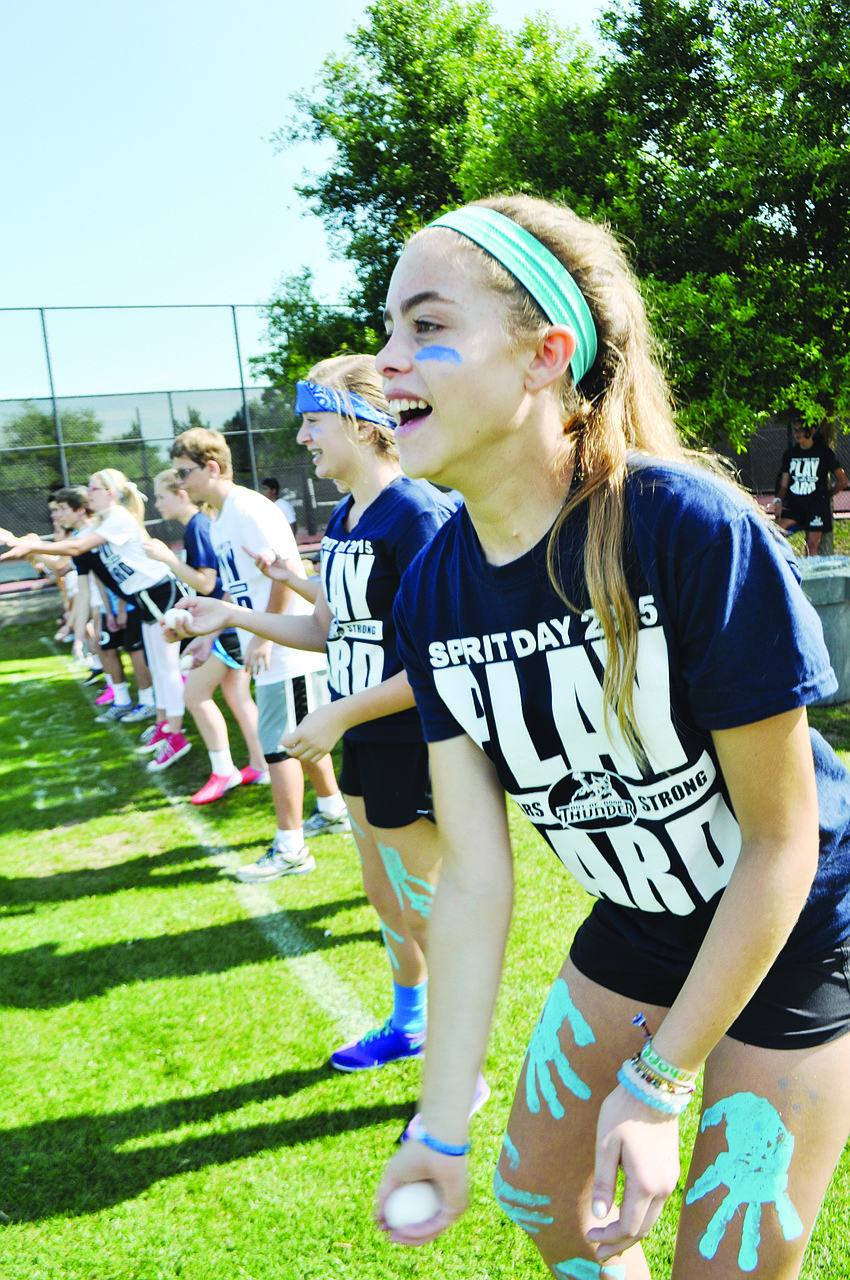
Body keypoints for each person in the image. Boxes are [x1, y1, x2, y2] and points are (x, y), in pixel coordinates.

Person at [371, 196, 850, 1279]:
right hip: (639, 921)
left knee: (723, 1264)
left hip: (797, 920)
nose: (385, 362)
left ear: (545, 354)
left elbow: (783, 842)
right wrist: (439, 1124)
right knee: (538, 1193)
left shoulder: (684, 526)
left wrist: (656, 1083)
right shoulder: (434, 591)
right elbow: (473, 879)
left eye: (427, 327)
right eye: (388, 327)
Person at [176, 355, 466, 1076]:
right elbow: (329, 630)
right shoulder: (348, 512)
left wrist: (338, 714)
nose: (302, 437)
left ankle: (462, 1071)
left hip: (414, 740)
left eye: (313, 420)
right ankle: (411, 1024)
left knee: (425, 909)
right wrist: (233, 610)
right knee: (383, 896)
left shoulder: (420, 513)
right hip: (365, 733)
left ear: (365, 424)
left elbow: (443, 661)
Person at [167, 428, 345, 874]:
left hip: (287, 648)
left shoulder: (247, 509)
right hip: (268, 644)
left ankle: (290, 850)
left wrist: (264, 638)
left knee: (278, 747)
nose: (180, 483)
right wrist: (212, 633)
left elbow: (286, 574)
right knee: (297, 740)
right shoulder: (222, 516)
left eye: (184, 472)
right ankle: (332, 810)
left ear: (212, 467)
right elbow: (239, 588)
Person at [1, 469, 188, 769]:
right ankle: (164, 726)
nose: (89, 493)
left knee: (166, 670)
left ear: (111, 493)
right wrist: (22, 542)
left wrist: (31, 545)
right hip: (144, 597)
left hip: (158, 592)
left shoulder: (117, 517)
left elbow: (75, 548)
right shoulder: (102, 520)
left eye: (94, 488)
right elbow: (68, 553)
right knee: (159, 666)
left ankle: (175, 735)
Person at [142, 468, 271, 803]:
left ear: (182, 495)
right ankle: (262, 764)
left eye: (161, 496)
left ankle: (224, 771)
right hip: (227, 622)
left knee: (195, 695)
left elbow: (207, 583)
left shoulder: (198, 526)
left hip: (226, 623)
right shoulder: (203, 525)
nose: (157, 505)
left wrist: (168, 559)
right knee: (237, 697)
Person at [773, 418, 848, 556]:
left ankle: (811, 575)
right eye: (795, 430)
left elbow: (843, 481)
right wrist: (777, 501)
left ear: (812, 430)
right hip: (795, 504)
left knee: (811, 545)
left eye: (801, 429)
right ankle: (783, 568)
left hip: (816, 506)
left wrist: (826, 496)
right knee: (775, 532)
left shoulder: (824, 452)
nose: (797, 433)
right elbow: (784, 485)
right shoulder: (789, 454)